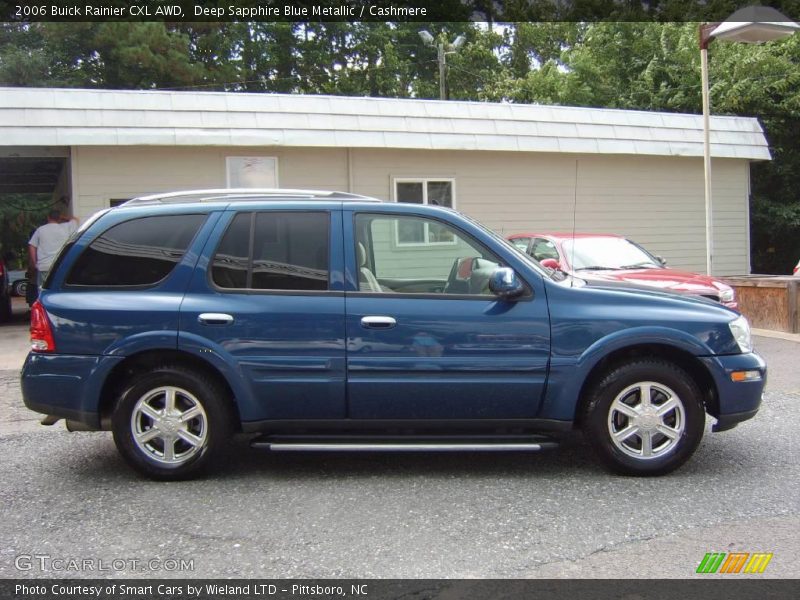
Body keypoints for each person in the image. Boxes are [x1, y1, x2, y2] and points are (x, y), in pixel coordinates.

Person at [28, 208, 79, 291]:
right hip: (60, 265)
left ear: (48, 217)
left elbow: (32, 245)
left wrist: (34, 263)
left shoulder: (40, 230)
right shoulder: (66, 228)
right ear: (59, 218)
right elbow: (76, 220)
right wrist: (63, 217)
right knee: (58, 290)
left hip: (44, 266)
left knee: (42, 291)